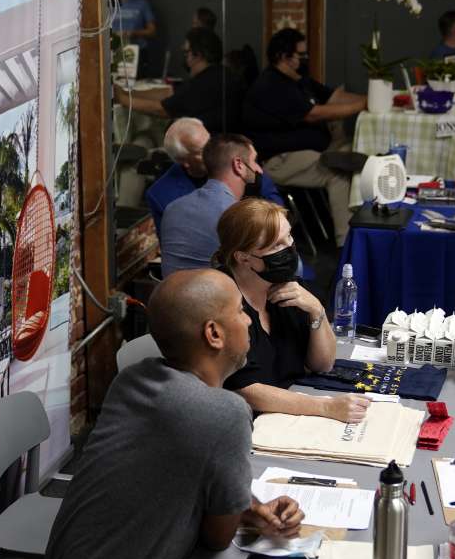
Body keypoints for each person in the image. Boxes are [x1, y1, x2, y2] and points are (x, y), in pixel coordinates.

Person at [44, 269, 305, 559]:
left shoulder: (132, 379)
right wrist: (236, 507)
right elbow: (217, 538)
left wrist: (249, 506)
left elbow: (174, 471)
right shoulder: (225, 412)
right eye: (240, 311)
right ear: (214, 334)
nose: (249, 320)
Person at [213, 199, 370, 423]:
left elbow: (323, 364)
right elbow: (244, 389)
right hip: (245, 424)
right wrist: (326, 407)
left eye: (290, 236)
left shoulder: (287, 286)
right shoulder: (223, 303)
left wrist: (317, 310)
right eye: (276, 245)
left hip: (290, 412)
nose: (289, 248)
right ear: (243, 257)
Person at [241, 28, 363, 246]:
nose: (306, 59)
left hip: (313, 150)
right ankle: (346, 244)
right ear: (282, 56)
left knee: (357, 153)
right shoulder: (271, 85)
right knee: (339, 173)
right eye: (301, 54)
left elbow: (334, 96)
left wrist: (374, 98)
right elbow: (313, 114)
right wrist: (363, 105)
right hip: (280, 160)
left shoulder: (299, 80)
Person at [145, 118, 284, 231]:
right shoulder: (161, 195)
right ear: (184, 161)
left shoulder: (234, 156)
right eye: (201, 151)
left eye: (210, 142)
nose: (212, 151)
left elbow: (277, 208)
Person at [159, 134, 265, 277]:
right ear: (239, 165)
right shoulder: (239, 216)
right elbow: (284, 269)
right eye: (254, 161)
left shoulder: (172, 208)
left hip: (171, 296)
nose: (259, 169)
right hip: (216, 297)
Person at [114, 27, 240, 132]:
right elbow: (169, 93)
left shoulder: (206, 84)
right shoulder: (215, 74)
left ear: (198, 55)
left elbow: (161, 109)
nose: (185, 58)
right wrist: (127, 93)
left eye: (186, 53)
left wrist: (123, 99)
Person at [114, 0, 158, 74]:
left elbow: (152, 31)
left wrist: (133, 33)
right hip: (114, 52)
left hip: (137, 53)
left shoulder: (142, 4)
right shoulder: (109, 4)